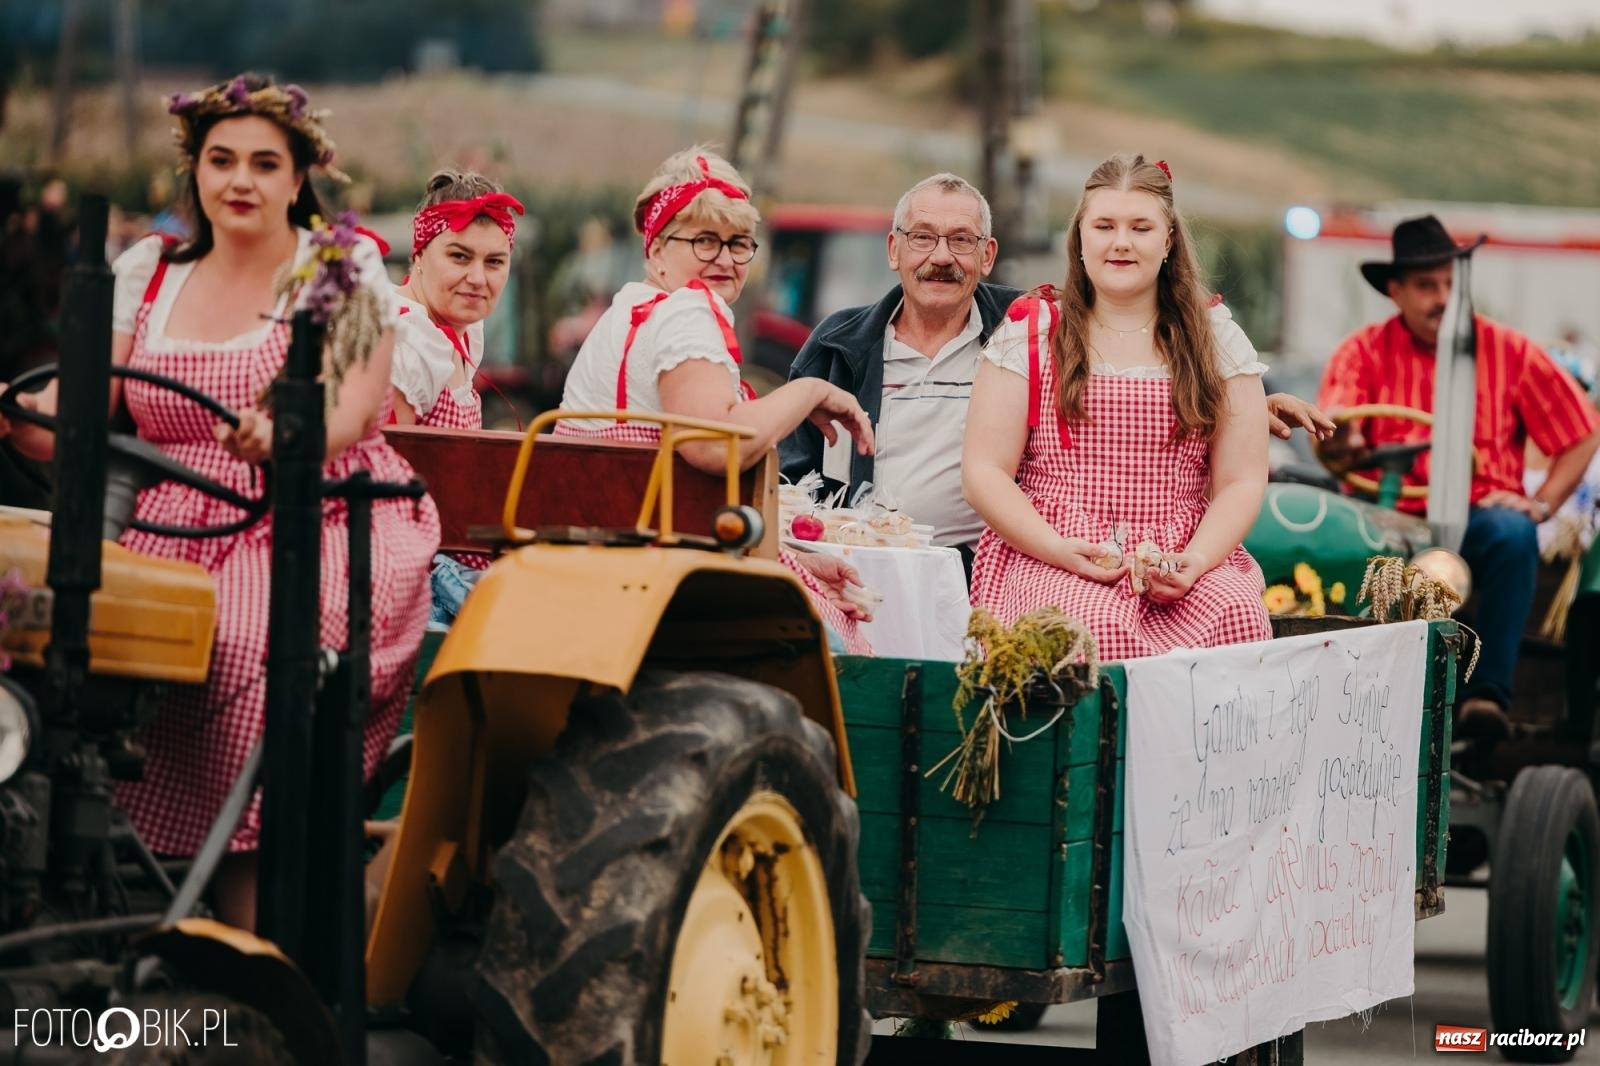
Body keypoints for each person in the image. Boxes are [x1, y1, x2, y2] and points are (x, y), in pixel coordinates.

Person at [1, 74, 439, 927]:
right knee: (46, 626)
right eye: (221, 160)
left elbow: (354, 409)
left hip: (313, 509)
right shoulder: (148, 271)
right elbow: (80, 409)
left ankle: (250, 936)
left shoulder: (337, 270)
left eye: (264, 163)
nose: (240, 180)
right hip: (159, 513)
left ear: (300, 176)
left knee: (240, 646)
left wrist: (287, 430)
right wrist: (15, 412)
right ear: (195, 172)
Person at [780, 173, 1332, 565]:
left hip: (977, 561)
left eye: (962, 241)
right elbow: (791, 474)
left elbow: (1126, 382)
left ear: (989, 255)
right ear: (894, 250)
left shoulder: (1025, 327)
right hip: (867, 557)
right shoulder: (840, 344)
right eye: (922, 237)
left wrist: (1247, 407)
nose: (941, 257)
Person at [557, 147, 877, 653]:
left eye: (738, 243)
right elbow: (714, 446)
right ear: (657, 248)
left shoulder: (632, 307)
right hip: (655, 557)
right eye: (705, 240)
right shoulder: (684, 312)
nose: (725, 259)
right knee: (846, 645)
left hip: (622, 538)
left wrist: (794, 555)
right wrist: (811, 388)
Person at [963, 154, 1273, 659]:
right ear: (1080, 237)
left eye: (1141, 227)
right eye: (1104, 225)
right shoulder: (1033, 333)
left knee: (1235, 609)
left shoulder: (1217, 338)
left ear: (1168, 240)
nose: (1121, 241)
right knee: (1094, 625)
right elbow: (984, 472)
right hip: (1057, 549)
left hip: (1181, 548)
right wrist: (1058, 548)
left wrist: (1195, 560)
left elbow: (1241, 479)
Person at [1317, 215, 1600, 737]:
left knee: (1514, 533)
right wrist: (1344, 439)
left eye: (1451, 284)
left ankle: (1486, 696)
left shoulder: (1511, 351)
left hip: (1478, 516)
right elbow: (1336, 425)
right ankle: (1344, 698)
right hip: (1387, 513)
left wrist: (1542, 507)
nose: (1442, 297)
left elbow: (1582, 432)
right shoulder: (1362, 351)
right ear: (1396, 292)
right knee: (1333, 539)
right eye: (1427, 286)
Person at [390, 169, 523, 430]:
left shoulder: (467, 331)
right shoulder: (404, 343)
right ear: (419, 253)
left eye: (494, 262)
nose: (477, 278)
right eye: (459, 256)